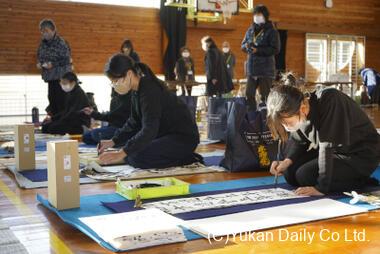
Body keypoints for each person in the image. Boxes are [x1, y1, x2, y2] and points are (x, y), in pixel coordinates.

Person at [266, 85, 380, 196]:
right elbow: (299, 140)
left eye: (288, 123)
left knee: (305, 175)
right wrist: (286, 161)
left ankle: (359, 180)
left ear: (302, 108)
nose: (286, 127)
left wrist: (321, 188)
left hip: (359, 154)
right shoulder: (296, 107)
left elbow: (327, 146)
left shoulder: (331, 99)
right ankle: (341, 178)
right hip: (334, 151)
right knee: (289, 172)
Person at [98, 54, 201, 169]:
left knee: (135, 157)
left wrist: (121, 153)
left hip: (182, 139)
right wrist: (113, 141)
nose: (114, 85)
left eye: (116, 81)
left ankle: (188, 158)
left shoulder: (149, 90)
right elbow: (134, 121)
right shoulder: (137, 90)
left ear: (129, 74)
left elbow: (149, 129)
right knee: (131, 152)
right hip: (165, 135)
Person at [241, 5, 280, 111]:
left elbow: (275, 49)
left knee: (265, 97)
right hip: (252, 69)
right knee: (249, 94)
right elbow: (242, 45)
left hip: (265, 70)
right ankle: (252, 117)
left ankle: (266, 119)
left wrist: (258, 50)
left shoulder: (272, 31)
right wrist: (247, 47)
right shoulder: (250, 30)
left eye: (259, 14)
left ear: (265, 16)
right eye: (255, 15)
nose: (256, 17)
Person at [37, 19, 72, 116]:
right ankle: (55, 123)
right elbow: (39, 56)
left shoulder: (61, 43)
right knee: (52, 102)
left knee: (62, 103)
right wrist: (40, 63)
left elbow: (67, 60)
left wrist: (53, 64)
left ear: (53, 30)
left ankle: (62, 125)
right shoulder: (42, 44)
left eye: (46, 31)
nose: (44, 33)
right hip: (50, 78)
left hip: (61, 78)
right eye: (42, 31)